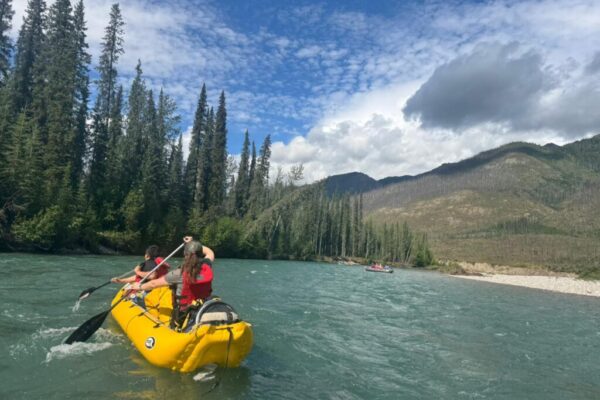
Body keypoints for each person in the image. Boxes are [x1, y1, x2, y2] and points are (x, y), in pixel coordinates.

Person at [130, 236, 215, 329]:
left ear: (185, 255)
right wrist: (193, 244)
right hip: (203, 309)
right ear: (200, 253)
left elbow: (153, 284)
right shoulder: (207, 266)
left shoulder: (179, 274)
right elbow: (210, 252)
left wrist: (140, 286)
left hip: (184, 315)